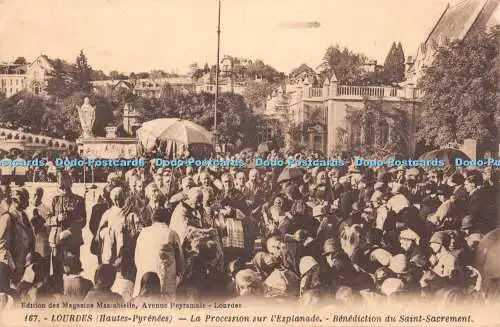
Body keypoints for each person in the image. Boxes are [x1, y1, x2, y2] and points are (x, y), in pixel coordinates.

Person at [133, 208, 184, 299]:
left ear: (153, 219)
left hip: (144, 278)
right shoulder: (171, 233)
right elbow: (180, 262)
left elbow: (137, 259)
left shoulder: (143, 233)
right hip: (164, 280)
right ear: (167, 219)